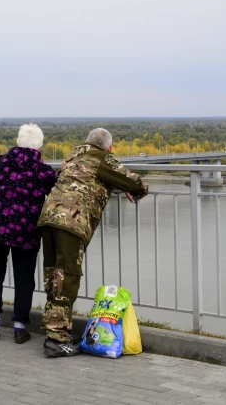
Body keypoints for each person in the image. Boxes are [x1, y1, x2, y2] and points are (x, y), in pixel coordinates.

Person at [37, 128, 149, 357]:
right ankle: (56, 339)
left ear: (87, 141)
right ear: (108, 147)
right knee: (67, 275)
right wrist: (136, 189)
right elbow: (134, 182)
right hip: (71, 221)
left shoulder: (73, 155)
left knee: (53, 274)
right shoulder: (102, 158)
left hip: (48, 217)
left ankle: (56, 329)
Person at [0, 124, 57, 344]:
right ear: (39, 145)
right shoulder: (42, 171)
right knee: (24, 279)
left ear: (18, 141)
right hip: (26, 233)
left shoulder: (0, 162)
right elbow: (57, 194)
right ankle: (19, 328)